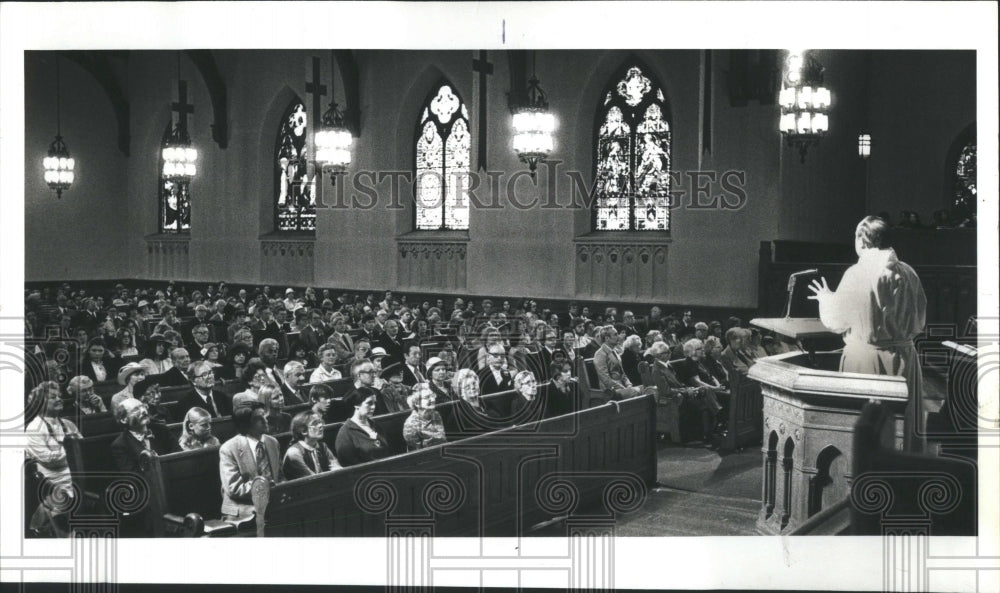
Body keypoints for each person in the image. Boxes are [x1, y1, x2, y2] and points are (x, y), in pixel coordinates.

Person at [809, 215, 928, 452]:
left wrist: (825, 298)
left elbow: (836, 321)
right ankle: (902, 477)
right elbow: (919, 321)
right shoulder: (908, 272)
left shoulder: (857, 273)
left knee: (866, 431)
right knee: (901, 429)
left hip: (866, 359)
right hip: (904, 358)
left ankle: (864, 480)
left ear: (862, 240)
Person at [25, 382, 80, 537]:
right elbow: (48, 459)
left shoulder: (67, 423)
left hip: (78, 475)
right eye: (53, 397)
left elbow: (83, 450)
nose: (59, 399)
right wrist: (70, 452)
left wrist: (72, 454)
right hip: (54, 481)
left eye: (60, 396)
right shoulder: (34, 428)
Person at [219, 403, 284, 520]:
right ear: (246, 424)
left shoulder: (272, 442)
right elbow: (234, 488)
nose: (266, 420)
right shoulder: (228, 449)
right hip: (243, 507)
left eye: (264, 415)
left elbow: (280, 476)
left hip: (271, 502)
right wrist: (265, 486)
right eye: (259, 418)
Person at [334, 388, 391, 467]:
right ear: (357, 405)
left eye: (374, 403)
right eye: (369, 403)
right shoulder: (346, 433)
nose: (373, 407)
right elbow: (348, 465)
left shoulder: (375, 425)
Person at [283, 411, 341, 479]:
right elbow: (311, 478)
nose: (320, 426)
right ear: (304, 431)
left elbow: (337, 468)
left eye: (320, 422)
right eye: (315, 423)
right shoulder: (294, 452)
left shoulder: (322, 446)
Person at [402, 383, 448, 451]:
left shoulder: (436, 414)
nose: (432, 400)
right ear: (417, 403)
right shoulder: (410, 424)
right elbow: (415, 452)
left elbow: (443, 438)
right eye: (427, 397)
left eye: (432, 396)